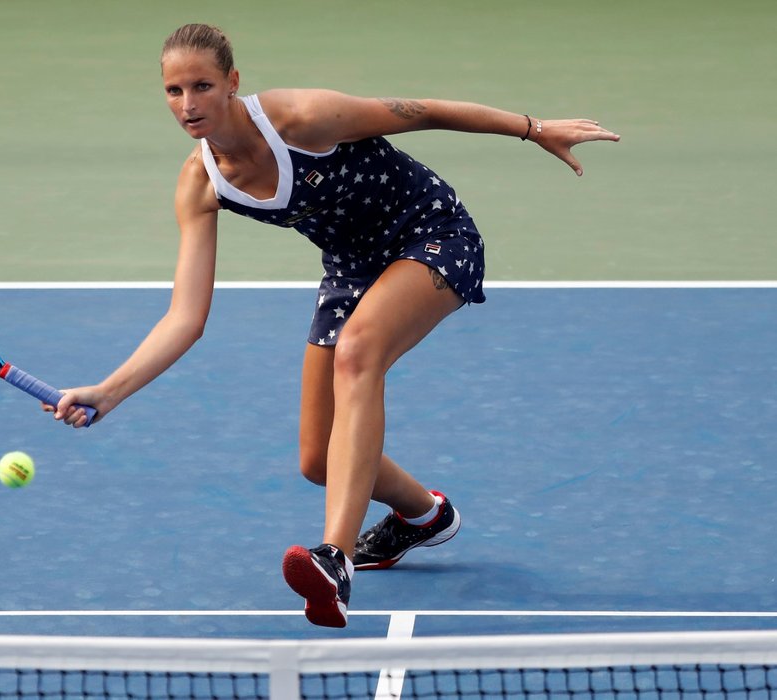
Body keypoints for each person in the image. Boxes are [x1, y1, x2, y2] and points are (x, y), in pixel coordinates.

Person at [51, 23, 620, 628]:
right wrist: (108, 390)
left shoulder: (301, 118)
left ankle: (335, 559)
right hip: (353, 269)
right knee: (318, 459)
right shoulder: (200, 184)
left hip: (431, 233)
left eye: (202, 86)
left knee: (357, 354)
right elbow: (186, 318)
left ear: (233, 83)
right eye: (173, 90)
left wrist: (534, 129)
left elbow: (423, 112)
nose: (188, 104)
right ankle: (424, 518)